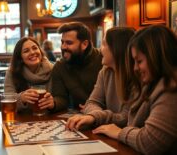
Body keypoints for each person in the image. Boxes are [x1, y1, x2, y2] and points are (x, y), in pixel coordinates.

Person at [68, 25, 177, 154]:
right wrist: (94, 116)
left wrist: (118, 131)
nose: (135, 68)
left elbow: (149, 140)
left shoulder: (167, 86)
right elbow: (92, 103)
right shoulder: (150, 81)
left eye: (139, 61)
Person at [67, 27, 135, 129]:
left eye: (103, 44)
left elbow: (126, 118)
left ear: (116, 49)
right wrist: (94, 116)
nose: (100, 49)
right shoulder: (105, 71)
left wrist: (95, 117)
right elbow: (92, 102)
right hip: (108, 132)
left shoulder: (137, 75)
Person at [51, 22, 103, 112]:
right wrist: (53, 103)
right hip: (79, 118)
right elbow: (61, 98)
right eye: (62, 42)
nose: (63, 47)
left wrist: (94, 108)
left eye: (69, 43)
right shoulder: (59, 67)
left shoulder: (103, 60)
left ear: (84, 44)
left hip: (106, 115)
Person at [4, 37, 55, 112]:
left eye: (35, 48)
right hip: (23, 119)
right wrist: (21, 98)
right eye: (26, 51)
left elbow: (61, 98)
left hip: (49, 117)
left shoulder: (53, 69)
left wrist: (54, 102)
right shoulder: (12, 72)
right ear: (20, 57)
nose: (32, 52)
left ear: (40, 51)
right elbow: (7, 99)